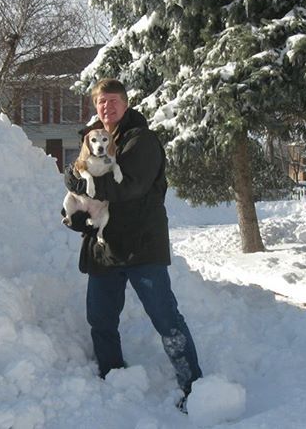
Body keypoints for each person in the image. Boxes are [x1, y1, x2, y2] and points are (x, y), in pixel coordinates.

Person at [63, 78, 202, 410]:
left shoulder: (142, 140)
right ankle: (113, 378)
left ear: (125, 104)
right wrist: (78, 215)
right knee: (101, 320)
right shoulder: (95, 139)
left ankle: (195, 387)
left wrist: (79, 181)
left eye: (113, 101)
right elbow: (82, 180)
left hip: (142, 245)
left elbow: (128, 188)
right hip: (105, 246)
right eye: (101, 102)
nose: (106, 107)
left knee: (166, 318)